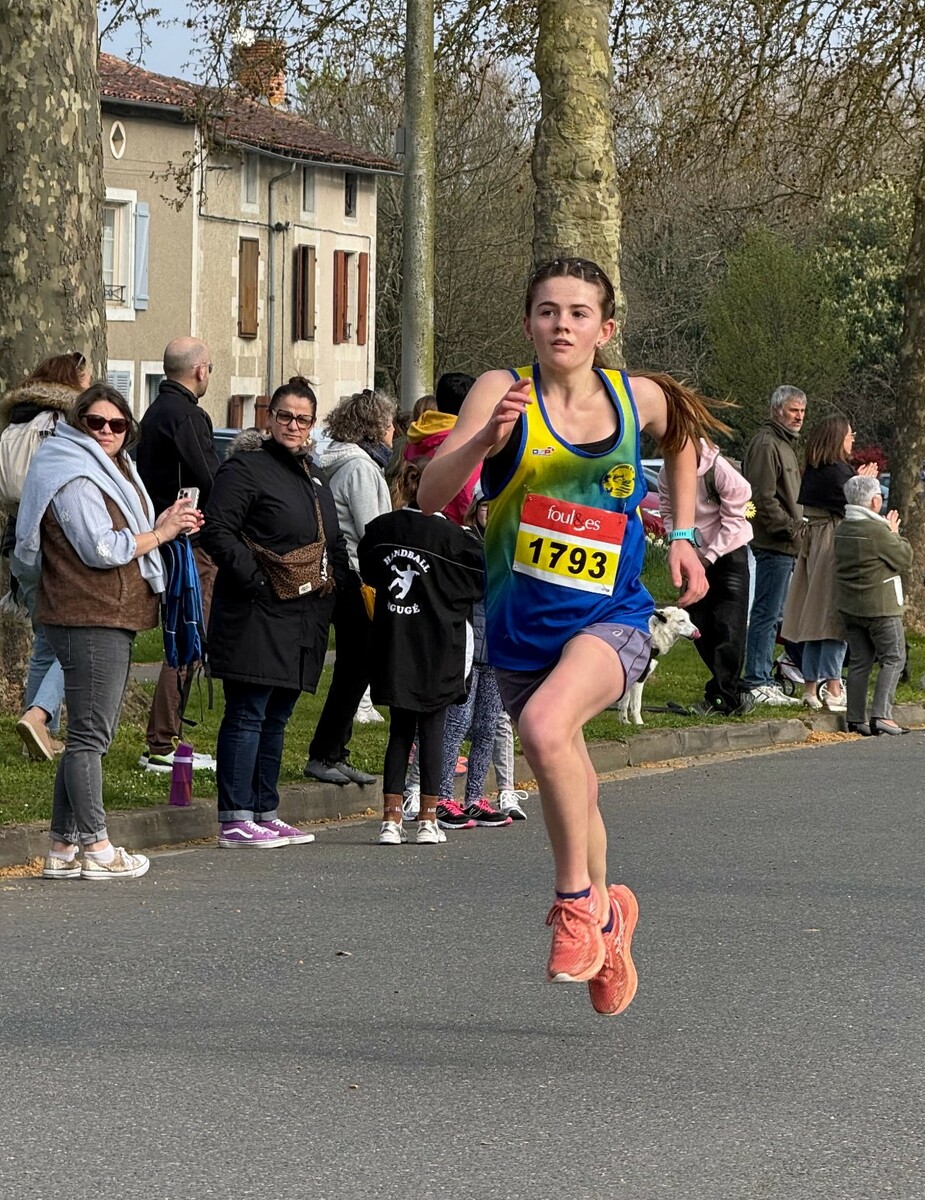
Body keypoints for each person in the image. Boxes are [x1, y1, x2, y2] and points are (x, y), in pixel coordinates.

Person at [417, 255, 719, 1016]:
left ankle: (576, 907)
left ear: (604, 329)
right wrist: (484, 442)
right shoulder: (501, 391)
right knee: (572, 774)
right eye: (548, 311)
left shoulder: (634, 397)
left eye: (578, 313)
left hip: (611, 617)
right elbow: (428, 493)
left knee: (547, 729)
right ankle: (612, 923)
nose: (562, 324)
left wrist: (683, 534)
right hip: (521, 628)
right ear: (528, 323)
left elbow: (683, 439)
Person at [15, 383, 201, 880]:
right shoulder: (75, 473)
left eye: (116, 424)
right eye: (94, 422)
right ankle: (98, 848)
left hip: (102, 613)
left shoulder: (112, 468)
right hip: (89, 612)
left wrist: (163, 522)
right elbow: (100, 547)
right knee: (90, 739)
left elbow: (123, 532)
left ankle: (61, 848)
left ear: (127, 429)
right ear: (78, 423)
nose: (105, 432)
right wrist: (160, 534)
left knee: (85, 735)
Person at [200, 378, 348, 848]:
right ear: (269, 418)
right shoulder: (245, 469)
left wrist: (337, 590)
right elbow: (216, 530)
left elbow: (334, 543)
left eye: (303, 419)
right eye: (285, 416)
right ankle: (234, 816)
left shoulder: (314, 476)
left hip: (303, 616)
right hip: (254, 613)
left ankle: (264, 809)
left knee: (277, 716)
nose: (293, 425)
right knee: (248, 712)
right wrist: (257, 582)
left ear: (313, 425)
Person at [358, 458, 484, 846]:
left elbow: (369, 570)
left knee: (399, 731)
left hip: (395, 644)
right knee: (432, 731)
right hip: (439, 648)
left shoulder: (382, 529)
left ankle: (391, 819)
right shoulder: (457, 540)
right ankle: (428, 818)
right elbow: (479, 586)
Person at [136, 337, 220, 773]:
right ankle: (162, 741)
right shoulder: (187, 415)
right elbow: (210, 476)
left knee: (185, 631)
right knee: (188, 633)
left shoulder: (154, 411)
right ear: (200, 370)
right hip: (189, 542)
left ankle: (166, 738)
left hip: (163, 533)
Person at [304, 389, 395, 786]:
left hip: (347, 573)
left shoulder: (341, 461)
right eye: (389, 425)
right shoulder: (360, 467)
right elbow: (373, 529)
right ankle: (326, 752)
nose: (394, 433)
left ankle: (334, 751)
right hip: (357, 576)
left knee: (354, 669)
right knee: (356, 669)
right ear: (375, 427)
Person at [2, 352, 90, 760]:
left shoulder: (15, 422)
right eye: (87, 378)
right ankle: (40, 716)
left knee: (46, 641)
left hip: (16, 539)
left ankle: (37, 735)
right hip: (54, 540)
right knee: (82, 638)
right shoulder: (63, 423)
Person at [781, 416, 878, 711]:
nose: (853, 440)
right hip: (832, 543)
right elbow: (857, 507)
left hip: (813, 543)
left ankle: (810, 688)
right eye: (850, 435)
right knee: (836, 615)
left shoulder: (815, 469)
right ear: (837, 438)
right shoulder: (838, 472)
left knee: (812, 617)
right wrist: (864, 484)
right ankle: (834, 687)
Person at [657, 434, 754, 716]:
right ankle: (735, 690)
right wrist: (680, 544)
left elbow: (735, 520)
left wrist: (709, 557)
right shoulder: (666, 473)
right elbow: (667, 510)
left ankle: (722, 695)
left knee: (727, 625)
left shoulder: (719, 470)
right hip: (694, 554)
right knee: (697, 622)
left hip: (729, 552)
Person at [436, 488, 512, 830]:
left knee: (486, 726)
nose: (490, 512)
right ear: (474, 509)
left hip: (497, 650)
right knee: (456, 724)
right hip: (466, 649)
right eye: (485, 506)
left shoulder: (511, 544)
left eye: (498, 507)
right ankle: (441, 797)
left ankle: (476, 797)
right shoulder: (465, 542)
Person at [741, 385, 807, 705]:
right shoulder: (767, 444)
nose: (799, 416)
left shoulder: (785, 444)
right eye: (794, 410)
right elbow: (761, 498)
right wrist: (791, 530)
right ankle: (757, 679)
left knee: (776, 614)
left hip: (786, 544)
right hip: (774, 543)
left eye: (802, 411)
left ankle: (765, 676)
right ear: (776, 410)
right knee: (766, 613)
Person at [835, 474, 912, 736]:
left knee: (860, 661)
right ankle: (882, 715)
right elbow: (904, 558)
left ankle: (856, 718)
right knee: (894, 657)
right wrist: (895, 533)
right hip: (881, 606)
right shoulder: (878, 531)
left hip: (849, 606)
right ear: (875, 501)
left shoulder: (842, 528)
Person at [404, 372, 479, 523]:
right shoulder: (464, 442)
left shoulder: (416, 437)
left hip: (413, 520)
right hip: (453, 526)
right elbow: (468, 494)